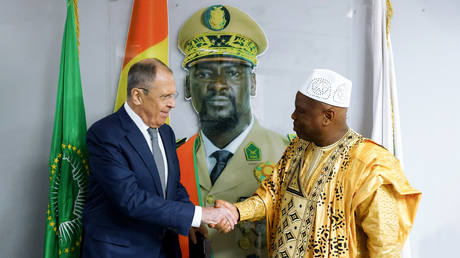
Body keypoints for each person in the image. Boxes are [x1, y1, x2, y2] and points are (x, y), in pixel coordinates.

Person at [214, 69, 422, 257]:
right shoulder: (298, 148)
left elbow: (385, 247)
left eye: (301, 111)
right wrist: (237, 211)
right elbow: (272, 194)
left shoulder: (370, 165)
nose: (293, 116)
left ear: (327, 116)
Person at [82, 58, 237, 258]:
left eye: (174, 95)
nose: (172, 104)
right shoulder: (105, 134)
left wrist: (190, 220)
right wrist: (199, 214)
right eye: (165, 97)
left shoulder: (166, 133)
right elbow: (131, 199)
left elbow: (173, 187)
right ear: (137, 95)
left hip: (164, 249)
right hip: (119, 251)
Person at [176, 4, 289, 257]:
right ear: (186, 86)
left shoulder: (288, 155)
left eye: (232, 73)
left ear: (252, 83)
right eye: (204, 73)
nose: (218, 85)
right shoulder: (172, 157)